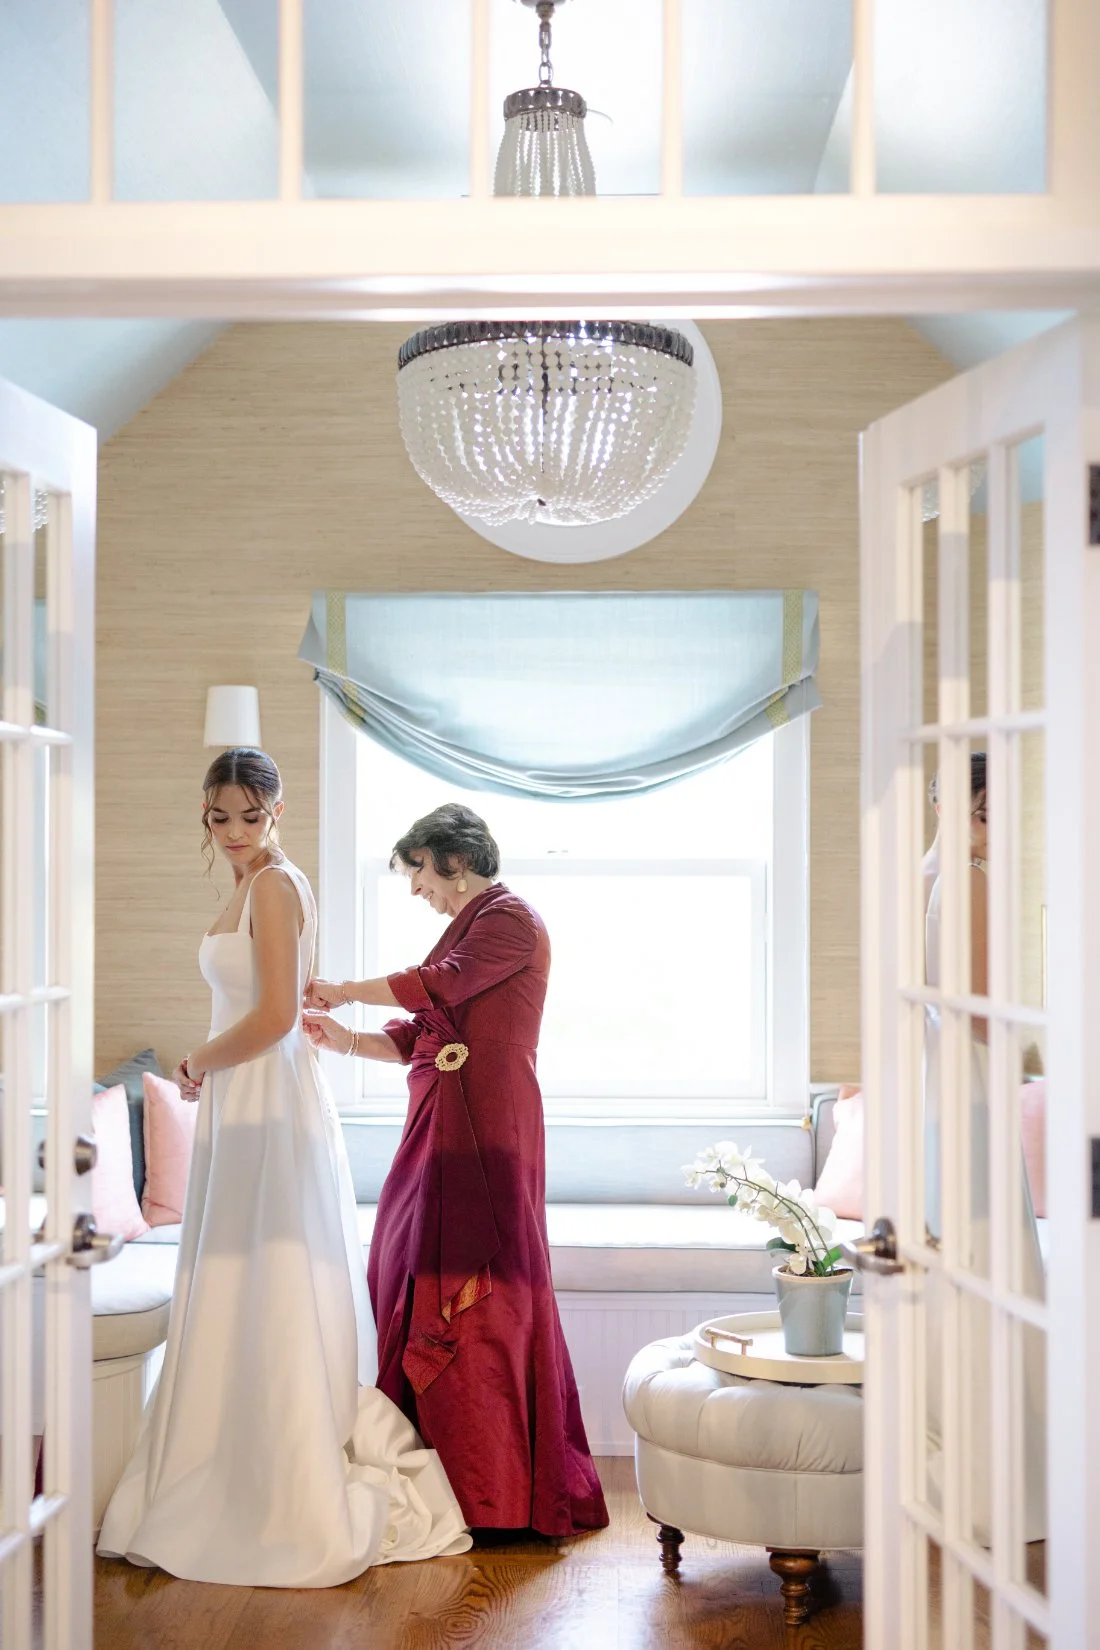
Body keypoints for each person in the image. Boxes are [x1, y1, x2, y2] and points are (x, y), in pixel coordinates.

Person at [98, 749, 469, 1586]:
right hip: (248, 1096)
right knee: (244, 1273)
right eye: (218, 817)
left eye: (249, 817)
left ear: (277, 812)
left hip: (266, 1093)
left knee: (269, 1269)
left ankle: (280, 1471)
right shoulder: (245, 885)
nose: (233, 832)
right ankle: (230, 1450)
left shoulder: (274, 884)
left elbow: (271, 1015)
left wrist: (195, 1064)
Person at [304, 802, 608, 1539]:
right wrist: (342, 1039)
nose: (417, 890)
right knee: (404, 1266)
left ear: (454, 859)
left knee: (486, 1287)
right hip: (442, 1122)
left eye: (419, 872)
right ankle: (442, 1467)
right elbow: (423, 1030)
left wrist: (343, 987)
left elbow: (437, 985)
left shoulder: (510, 920)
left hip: (488, 1125)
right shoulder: (473, 926)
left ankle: (495, 1491)